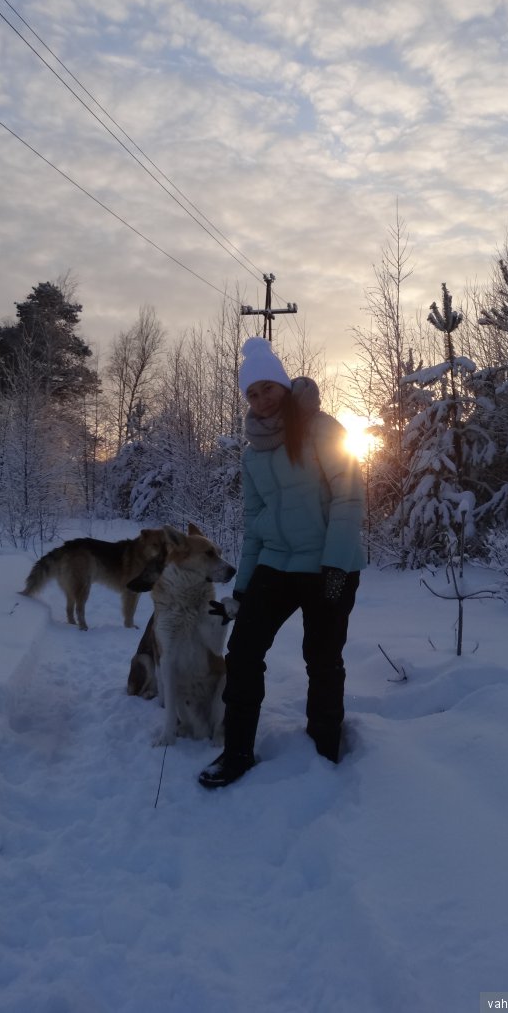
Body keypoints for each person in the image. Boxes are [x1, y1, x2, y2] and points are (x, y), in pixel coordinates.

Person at [198, 337, 365, 789]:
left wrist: (335, 566)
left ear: (284, 386)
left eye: (267, 388)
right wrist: (242, 590)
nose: (261, 399)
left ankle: (325, 746)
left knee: (323, 659)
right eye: (252, 394)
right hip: (275, 564)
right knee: (244, 652)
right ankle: (236, 752)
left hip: (330, 565)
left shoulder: (323, 429)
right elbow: (255, 524)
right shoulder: (253, 454)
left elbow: (350, 497)